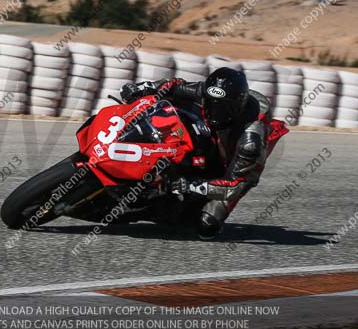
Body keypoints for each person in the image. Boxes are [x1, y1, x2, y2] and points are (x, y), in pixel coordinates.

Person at [119, 67, 286, 240]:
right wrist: (144, 87)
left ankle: (157, 210)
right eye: (210, 104)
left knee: (206, 225)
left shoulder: (250, 141)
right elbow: (175, 86)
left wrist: (191, 185)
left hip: (236, 168)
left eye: (222, 109)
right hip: (217, 138)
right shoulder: (214, 93)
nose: (214, 113)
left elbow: (234, 186)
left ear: (236, 108)